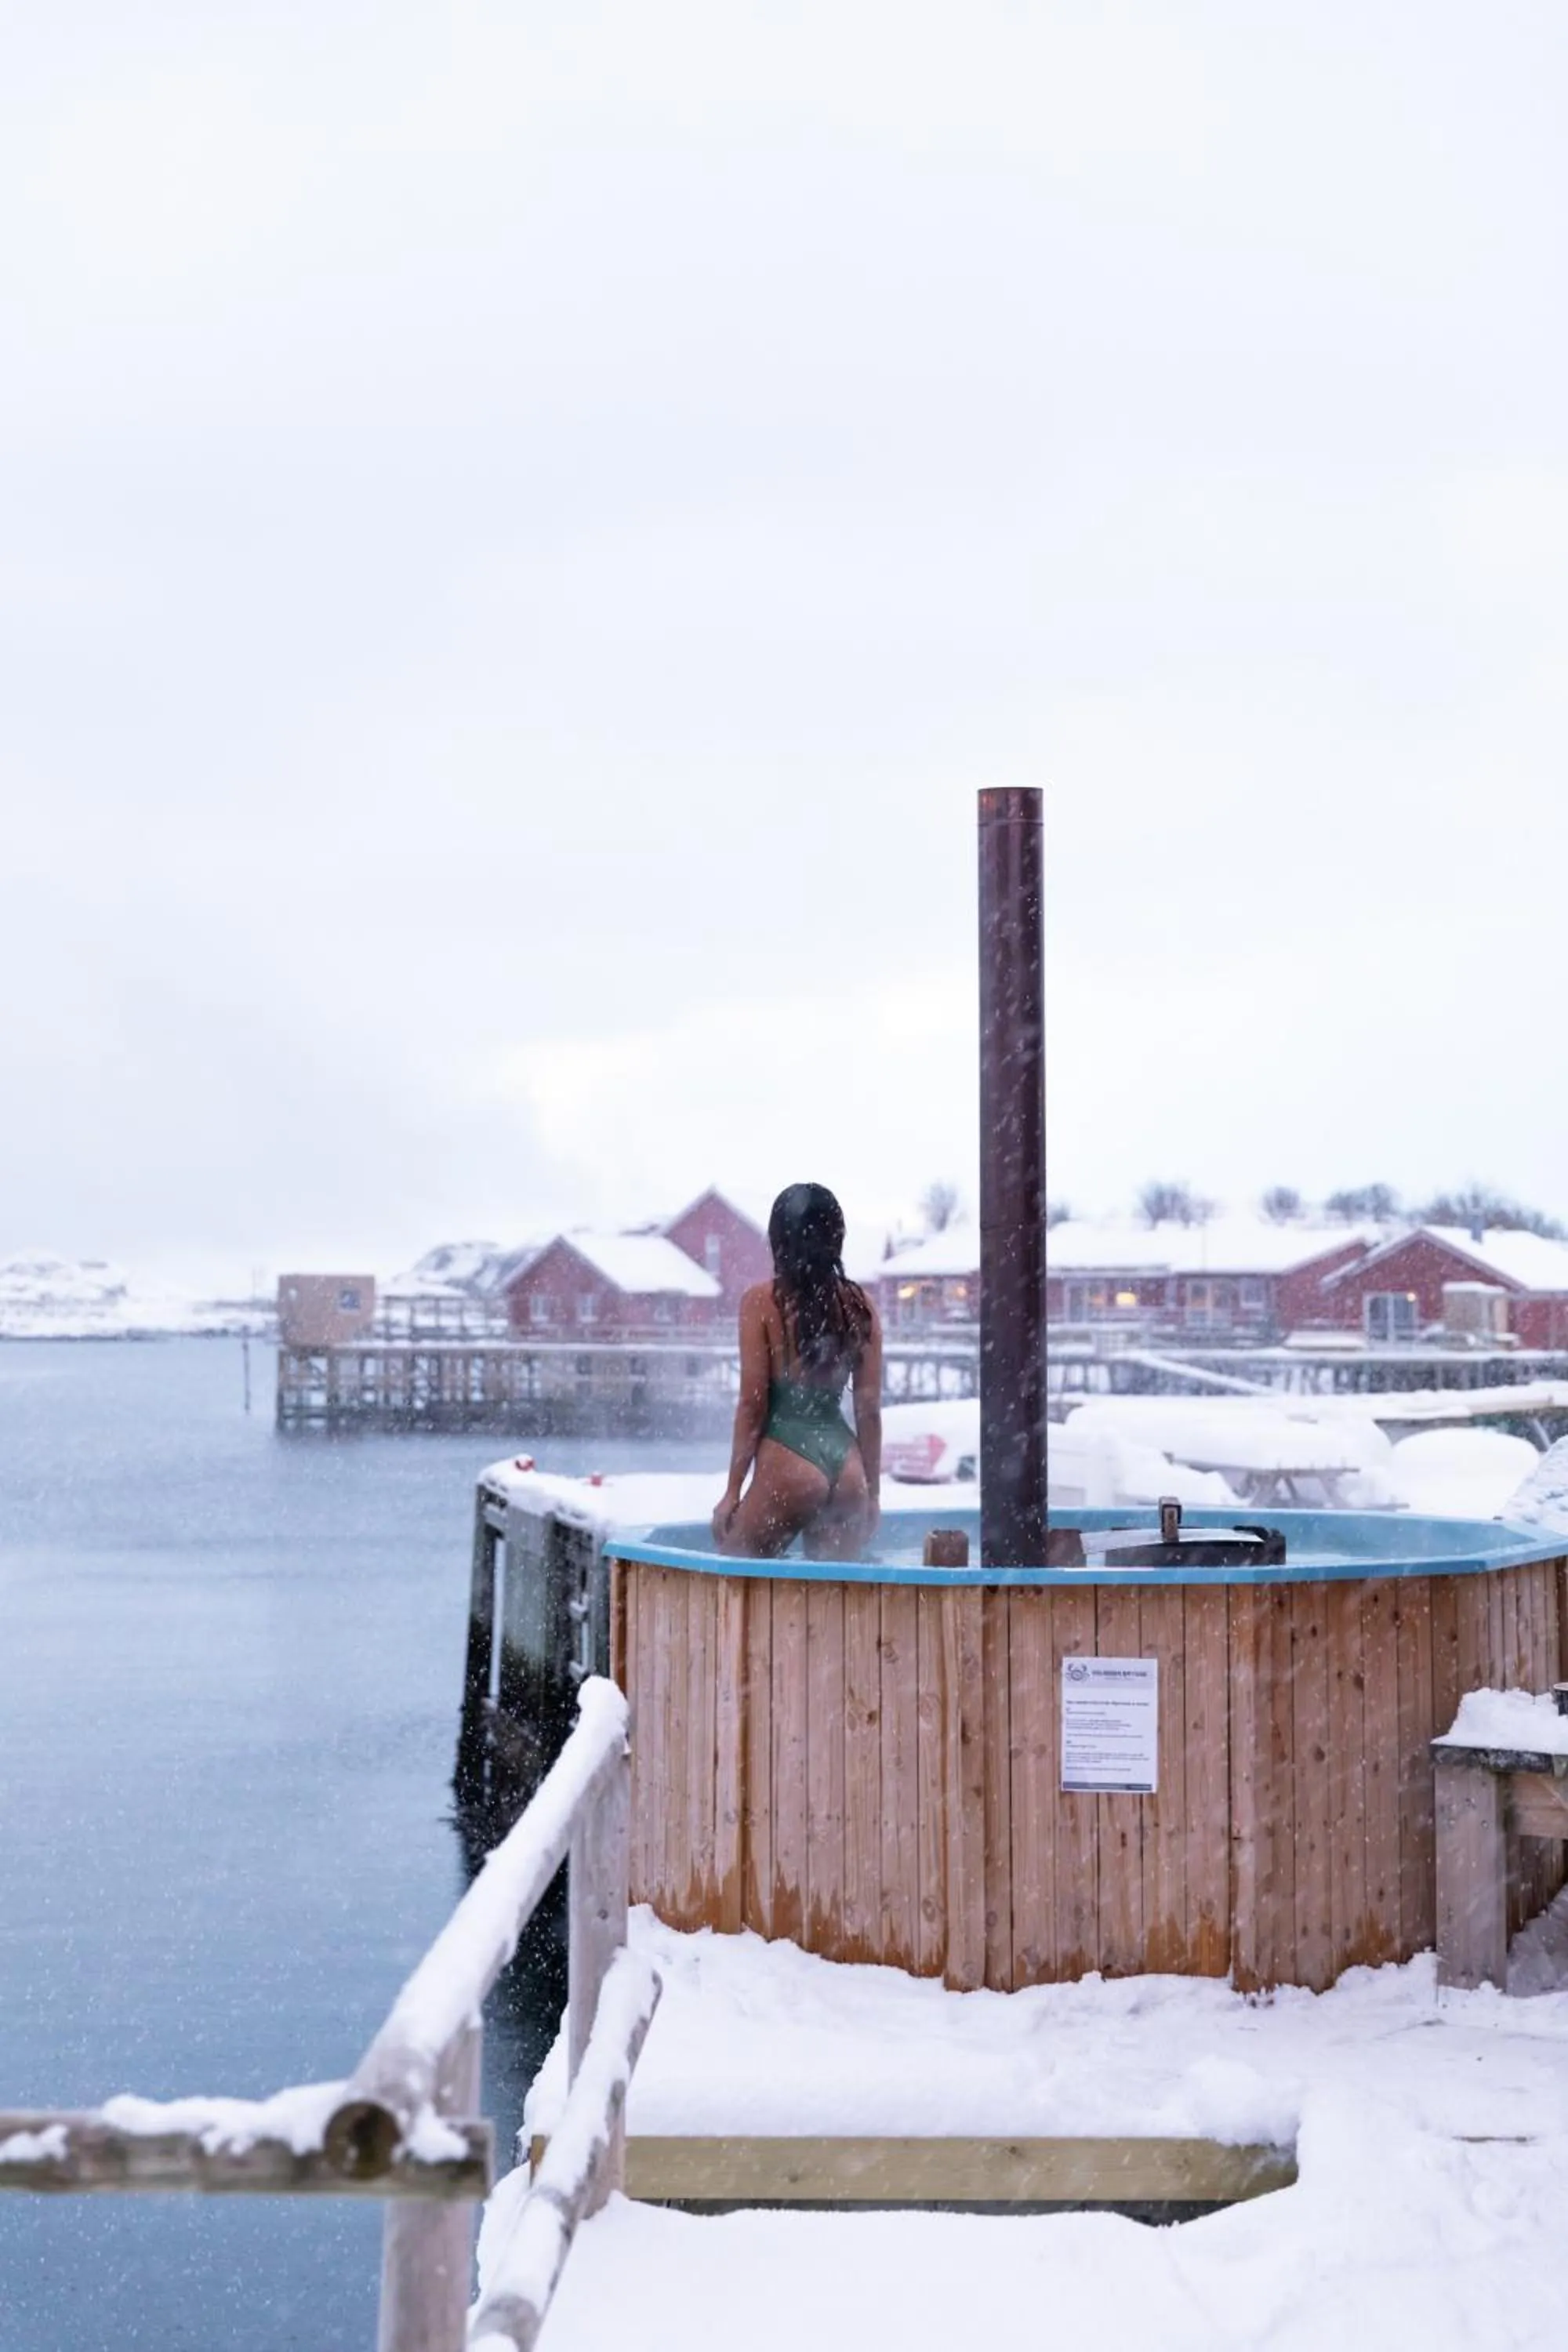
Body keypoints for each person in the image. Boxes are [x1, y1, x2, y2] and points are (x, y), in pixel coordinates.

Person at [712, 1182, 882, 1559]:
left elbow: (752, 1405)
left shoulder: (761, 1303)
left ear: (778, 1240)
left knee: (737, 1580)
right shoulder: (861, 1305)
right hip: (848, 1466)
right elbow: (868, 1409)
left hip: (790, 1459)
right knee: (838, 1606)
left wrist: (732, 1491)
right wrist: (872, 1492)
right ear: (837, 1237)